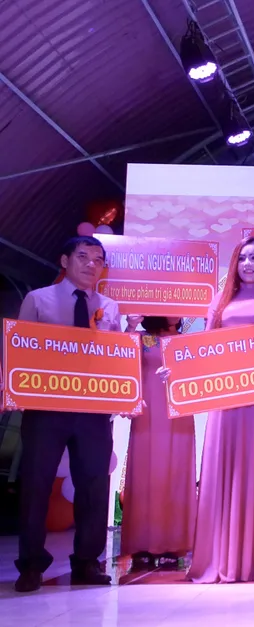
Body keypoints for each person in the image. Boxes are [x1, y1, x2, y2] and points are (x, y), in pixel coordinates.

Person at [11, 236, 121, 592]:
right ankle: (31, 565)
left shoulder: (111, 307)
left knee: (94, 485)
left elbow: (116, 359)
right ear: (65, 260)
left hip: (93, 410)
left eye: (98, 259)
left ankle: (87, 561)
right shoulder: (37, 299)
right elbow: (19, 348)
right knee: (36, 485)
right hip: (46, 409)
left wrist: (124, 396)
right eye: (83, 256)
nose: (91, 264)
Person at [185, 236, 254, 583]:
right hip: (228, 403)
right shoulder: (220, 302)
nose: (248, 264)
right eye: (243, 258)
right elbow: (203, 349)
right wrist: (179, 372)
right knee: (225, 472)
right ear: (236, 263)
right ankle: (221, 558)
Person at [120, 316, 195, 569]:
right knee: (145, 474)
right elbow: (121, 360)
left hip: (178, 414)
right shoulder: (144, 338)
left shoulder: (187, 340)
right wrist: (131, 326)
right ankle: (142, 543)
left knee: (174, 474)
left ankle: (172, 544)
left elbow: (201, 373)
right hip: (148, 412)